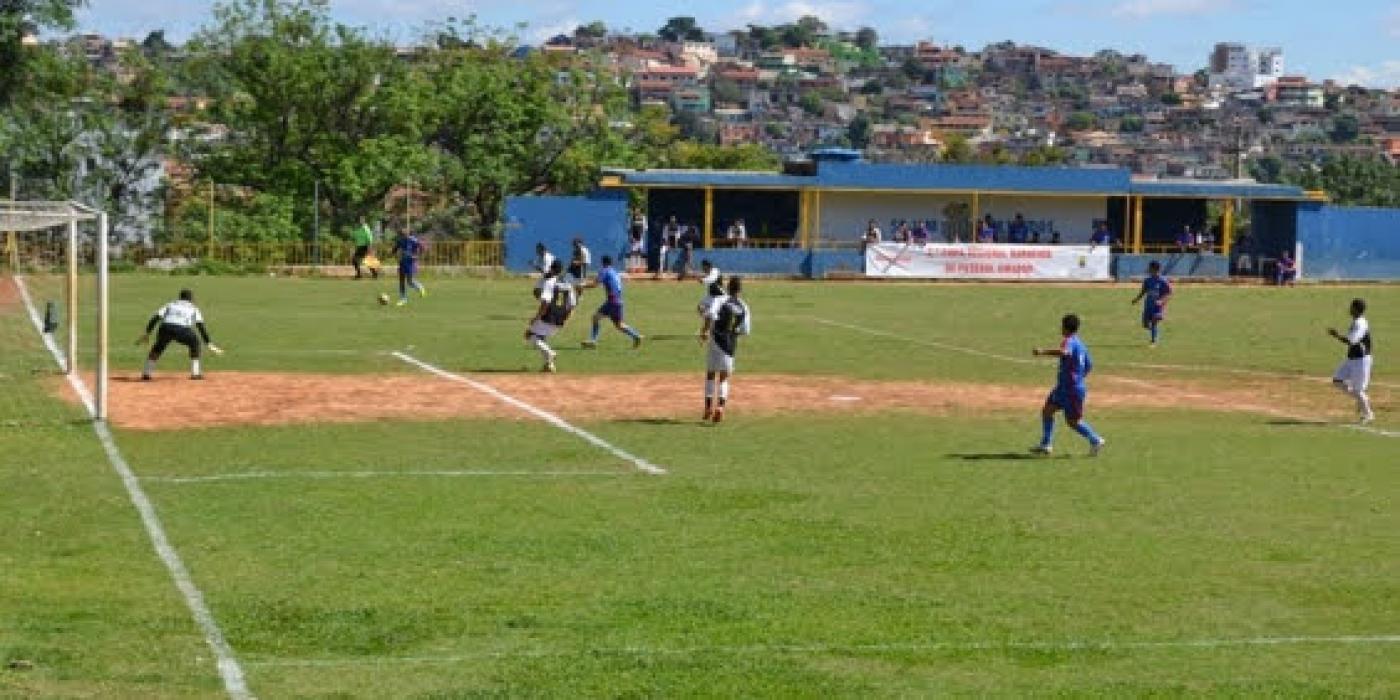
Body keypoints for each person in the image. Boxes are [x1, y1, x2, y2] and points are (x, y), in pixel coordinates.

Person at [1030, 313, 1106, 456]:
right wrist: (1077, 377)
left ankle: (1095, 439)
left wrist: (1042, 352)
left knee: (1073, 422)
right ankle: (1046, 444)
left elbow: (1064, 352)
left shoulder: (1068, 341)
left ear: (1065, 327)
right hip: (1064, 388)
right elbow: (1089, 365)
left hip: (1071, 390)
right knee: (1047, 411)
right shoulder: (1081, 344)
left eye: (1061, 326)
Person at [137, 289, 222, 381]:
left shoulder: (170, 304)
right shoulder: (193, 308)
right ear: (190, 298)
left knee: (158, 347)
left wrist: (147, 333)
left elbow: (156, 318)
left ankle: (146, 373)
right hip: (182, 329)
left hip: (165, 327)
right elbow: (200, 326)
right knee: (195, 343)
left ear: (180, 297)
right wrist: (208, 343)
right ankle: (195, 373)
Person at [700, 276, 751, 424]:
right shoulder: (744, 307)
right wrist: (734, 333)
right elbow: (746, 330)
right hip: (730, 345)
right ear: (740, 290)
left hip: (716, 340)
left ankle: (708, 407)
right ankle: (720, 407)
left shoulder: (720, 300)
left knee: (710, 374)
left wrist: (704, 331)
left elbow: (711, 315)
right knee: (724, 377)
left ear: (728, 287)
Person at [581, 255, 644, 349]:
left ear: (602, 262)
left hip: (612, 301)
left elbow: (595, 284)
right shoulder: (615, 272)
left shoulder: (604, 271)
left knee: (595, 317)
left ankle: (593, 340)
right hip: (618, 301)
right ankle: (636, 336)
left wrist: (582, 286)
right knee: (619, 325)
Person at [1328, 298, 1375, 424]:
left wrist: (1336, 335)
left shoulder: (1360, 324)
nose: (1349, 309)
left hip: (1361, 361)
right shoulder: (1356, 322)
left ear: (1356, 309)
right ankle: (1362, 399)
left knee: (1358, 390)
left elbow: (1351, 341)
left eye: (1351, 307)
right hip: (1351, 359)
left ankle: (1368, 414)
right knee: (1337, 381)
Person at [524, 260, 576, 373]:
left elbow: (545, 303)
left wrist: (536, 318)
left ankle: (550, 353)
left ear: (552, 269)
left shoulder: (549, 282)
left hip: (549, 314)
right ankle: (549, 365)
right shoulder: (568, 284)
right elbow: (572, 305)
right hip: (562, 315)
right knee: (541, 338)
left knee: (530, 335)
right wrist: (565, 319)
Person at [1130, 260, 1173, 347]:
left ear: (1155, 269)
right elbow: (1143, 291)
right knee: (1145, 324)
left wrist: (1161, 301)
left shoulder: (1163, 281)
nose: (1148, 270)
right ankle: (1154, 331)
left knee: (1154, 321)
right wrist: (1136, 299)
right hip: (1148, 305)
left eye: (1149, 268)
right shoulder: (1147, 280)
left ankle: (1153, 341)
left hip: (1157, 307)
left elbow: (1169, 293)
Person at [392, 229, 427, 306]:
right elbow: (394, 249)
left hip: (410, 263)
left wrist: (417, 256)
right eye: (402, 234)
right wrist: (395, 255)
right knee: (401, 281)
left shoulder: (413, 240)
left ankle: (420, 287)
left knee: (410, 282)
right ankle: (403, 299)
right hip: (402, 263)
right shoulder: (400, 241)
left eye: (404, 233)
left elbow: (423, 248)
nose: (403, 235)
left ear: (408, 233)